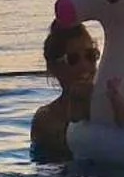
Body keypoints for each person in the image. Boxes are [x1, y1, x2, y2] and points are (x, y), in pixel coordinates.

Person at [29, 22, 98, 162]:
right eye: (73, 59)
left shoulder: (115, 103)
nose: (84, 65)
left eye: (90, 55)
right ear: (54, 68)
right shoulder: (46, 120)